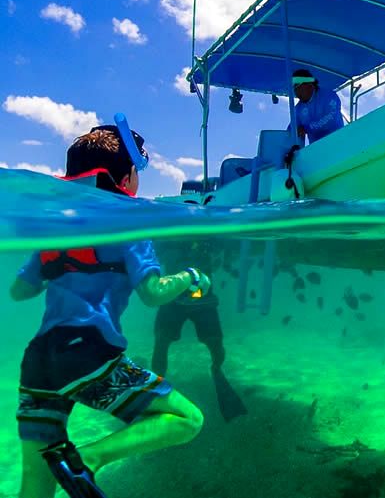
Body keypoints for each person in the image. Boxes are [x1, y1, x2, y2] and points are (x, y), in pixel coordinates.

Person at [11, 116, 211, 498]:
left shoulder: (59, 228)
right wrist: (190, 276)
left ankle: (68, 462)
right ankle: (89, 458)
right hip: (88, 354)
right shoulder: (128, 220)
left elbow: (20, 290)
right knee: (186, 418)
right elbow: (153, 292)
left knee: (34, 485)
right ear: (127, 179)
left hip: (38, 361)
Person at [152, 239, 247, 423]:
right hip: (173, 298)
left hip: (202, 299)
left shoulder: (204, 234)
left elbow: (227, 245)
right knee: (162, 340)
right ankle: (157, 388)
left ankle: (217, 370)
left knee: (214, 342)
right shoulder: (168, 235)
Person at [290, 68, 344, 144]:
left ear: (309, 85)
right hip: (316, 150)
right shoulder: (298, 109)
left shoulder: (329, 96)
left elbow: (331, 118)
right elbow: (291, 130)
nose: (296, 92)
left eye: (297, 87)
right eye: (294, 89)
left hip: (338, 142)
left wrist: (306, 128)